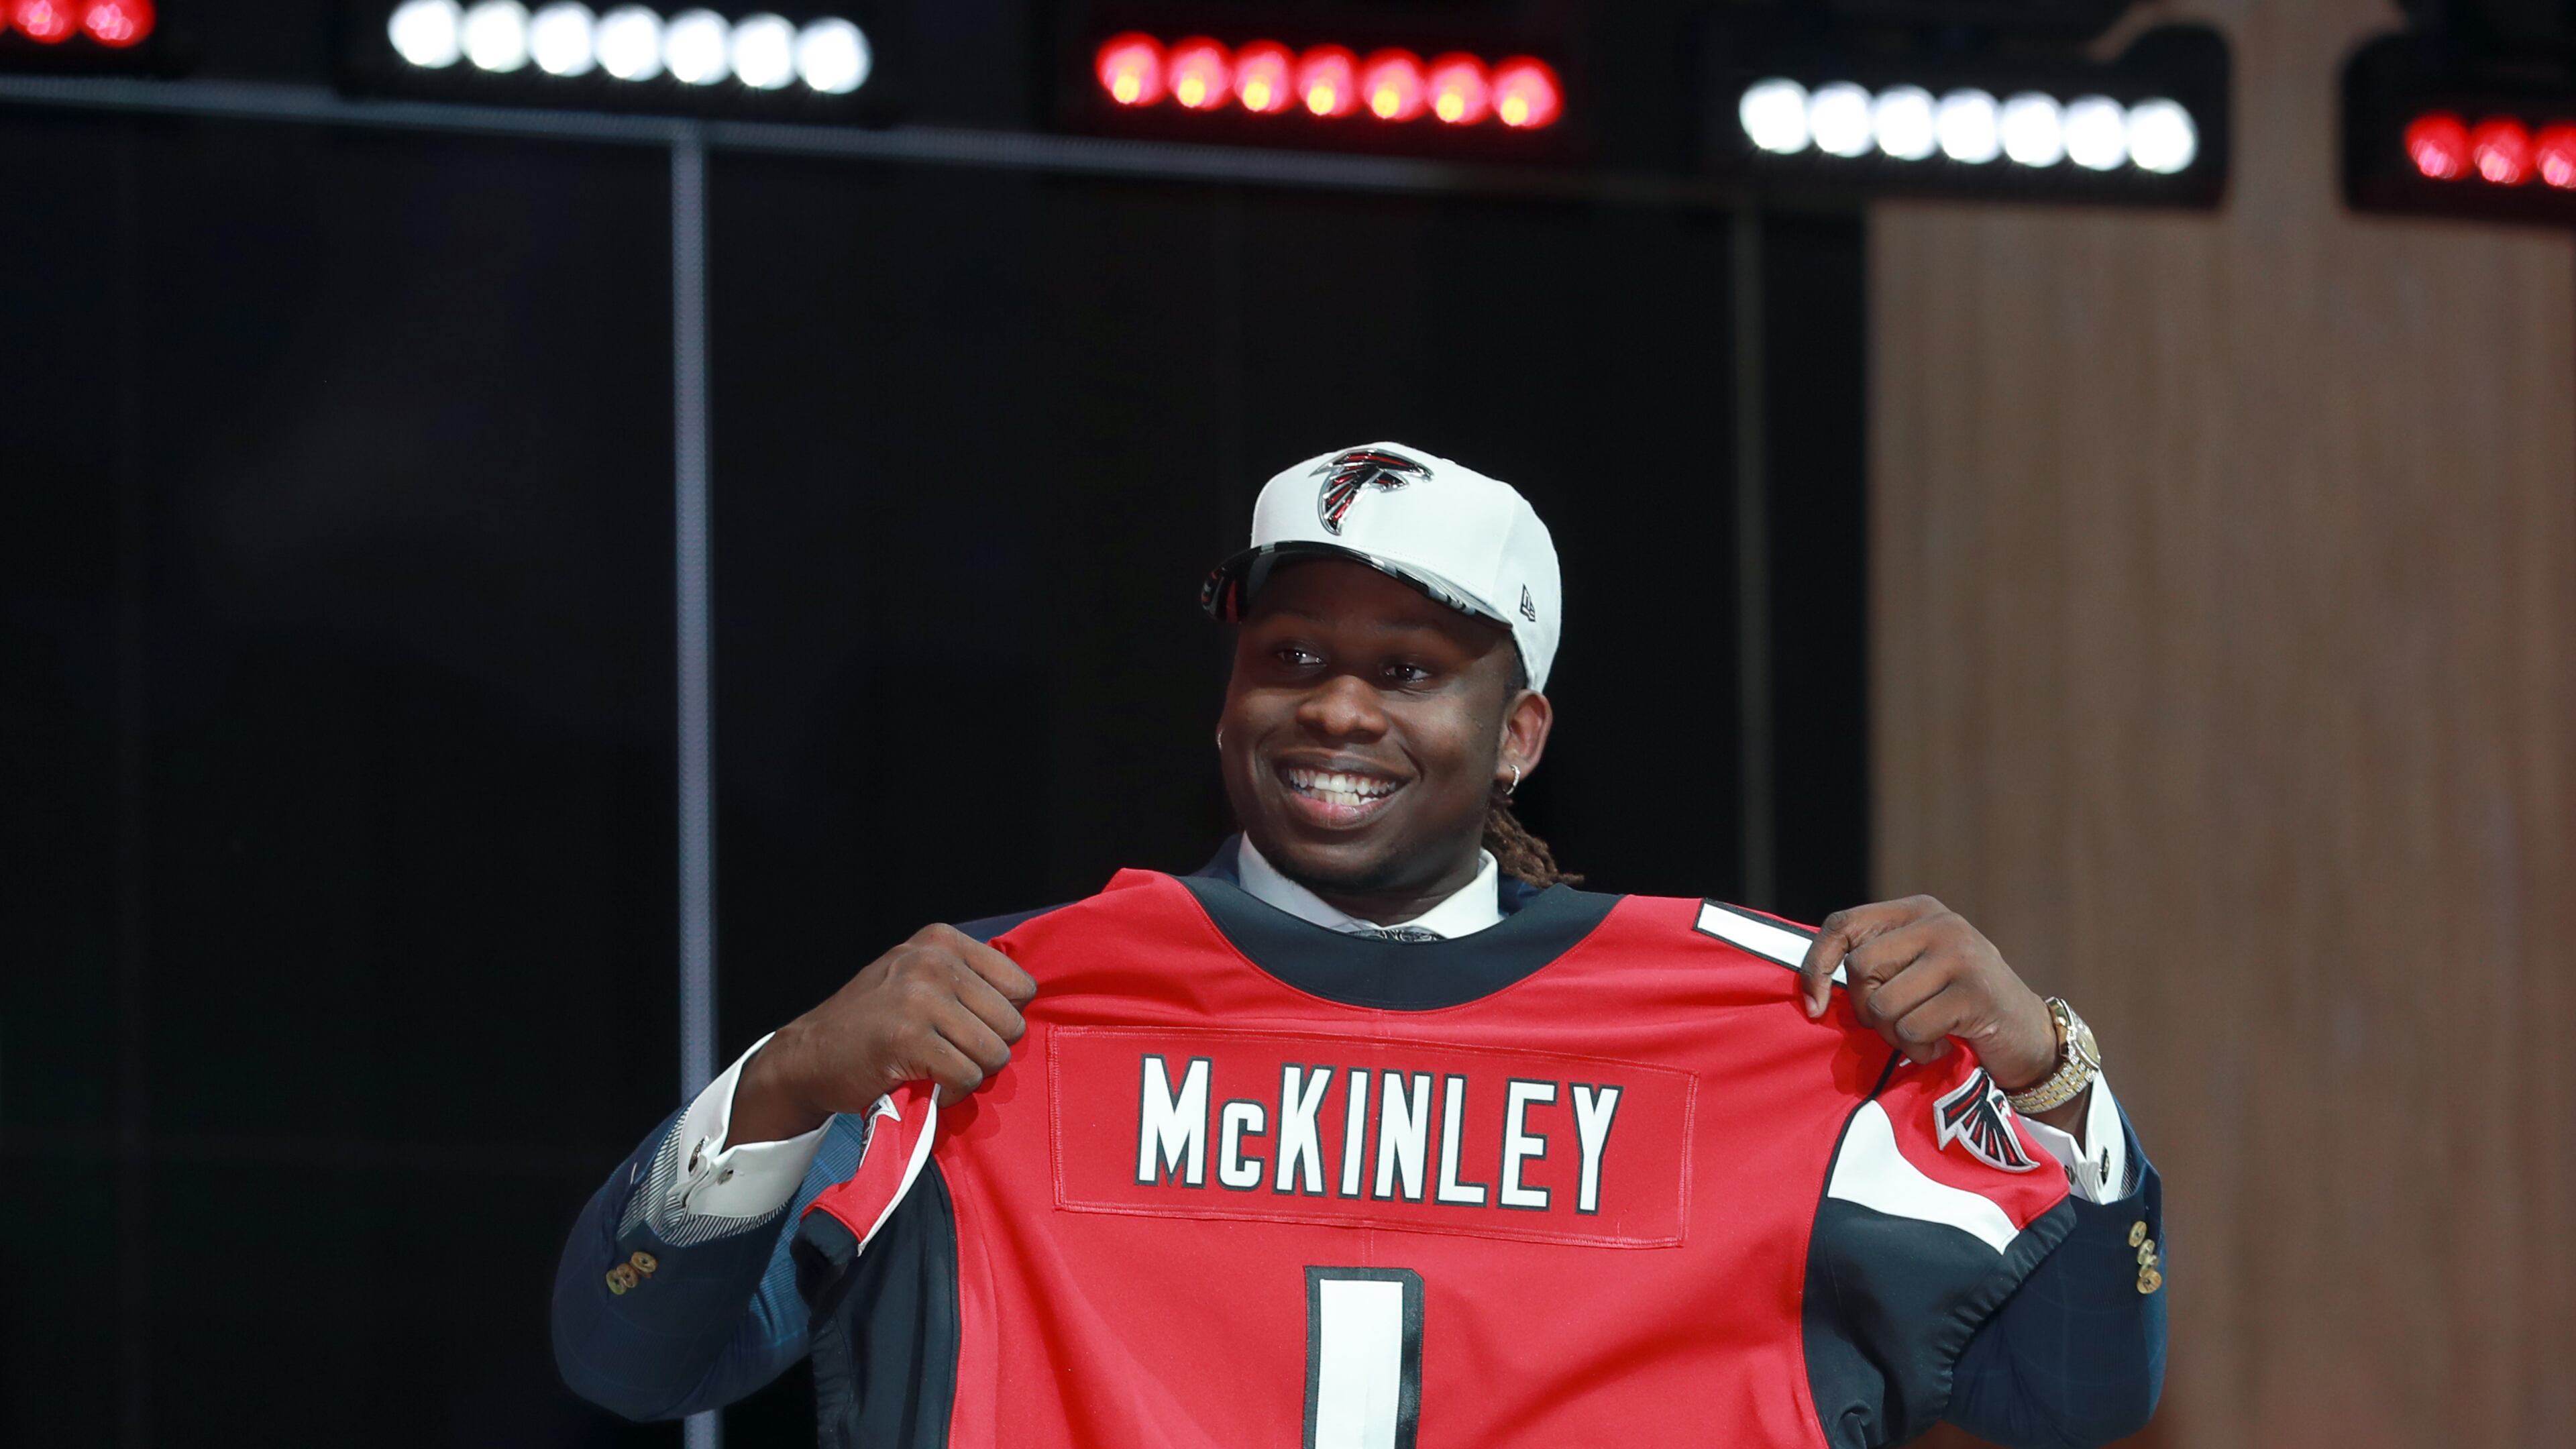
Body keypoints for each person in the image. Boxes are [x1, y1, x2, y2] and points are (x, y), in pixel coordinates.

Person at [553, 443, 2165, 1448]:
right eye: (1295, 652)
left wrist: (2049, 1078)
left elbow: (2073, 1396)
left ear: (1518, 730)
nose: (1336, 705)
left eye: (1408, 669)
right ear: (1229, 691)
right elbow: (631, 1355)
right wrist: (789, 1079)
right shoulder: (1003, 1012)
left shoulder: (1770, 1026)